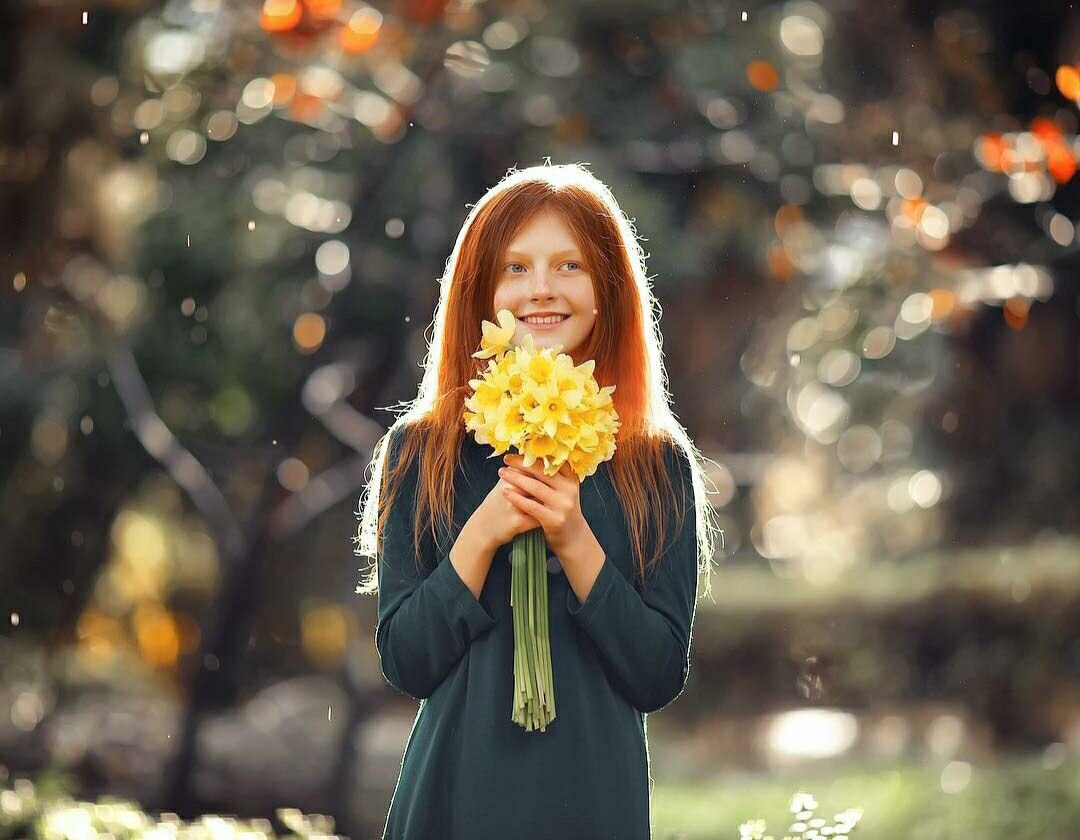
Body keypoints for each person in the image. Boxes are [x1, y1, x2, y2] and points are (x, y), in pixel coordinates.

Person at [353, 161, 722, 840]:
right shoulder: (422, 449)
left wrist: (575, 540)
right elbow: (407, 661)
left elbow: (658, 674)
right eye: (515, 268)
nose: (542, 289)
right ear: (478, 291)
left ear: (609, 289)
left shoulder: (655, 462)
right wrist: (482, 533)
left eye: (570, 266)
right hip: (454, 800)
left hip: (594, 801)